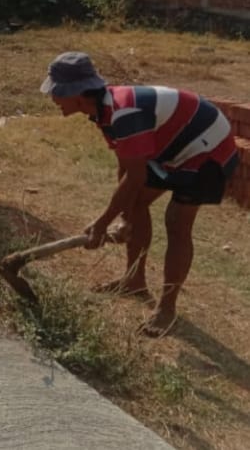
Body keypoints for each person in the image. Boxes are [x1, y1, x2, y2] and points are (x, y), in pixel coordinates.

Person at [40, 51, 238, 337]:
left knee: (177, 223)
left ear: (78, 93)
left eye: (57, 93)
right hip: (172, 148)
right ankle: (134, 281)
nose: (53, 99)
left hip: (208, 152)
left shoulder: (124, 112)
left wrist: (101, 223)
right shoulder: (103, 111)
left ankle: (166, 308)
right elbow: (127, 167)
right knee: (133, 204)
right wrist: (123, 216)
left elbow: (136, 177)